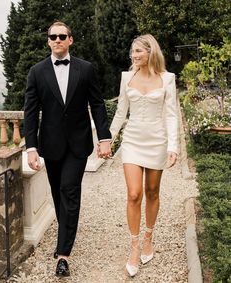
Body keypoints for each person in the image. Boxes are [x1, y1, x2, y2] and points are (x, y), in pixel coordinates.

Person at [24, 21, 111, 277]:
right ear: (48, 40)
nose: (58, 39)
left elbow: (97, 105)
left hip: (78, 144)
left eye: (62, 36)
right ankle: (67, 232)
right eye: (53, 36)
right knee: (57, 193)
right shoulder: (36, 72)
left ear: (70, 39)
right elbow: (30, 113)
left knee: (68, 191)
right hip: (50, 146)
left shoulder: (86, 69)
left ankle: (63, 255)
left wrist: (104, 137)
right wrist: (31, 147)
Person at [109, 34, 178, 277]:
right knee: (134, 193)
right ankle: (135, 246)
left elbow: (171, 115)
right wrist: (109, 139)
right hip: (132, 141)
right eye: (133, 52)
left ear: (151, 52)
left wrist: (173, 146)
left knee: (152, 192)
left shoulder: (167, 79)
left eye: (139, 51)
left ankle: (149, 236)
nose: (134, 55)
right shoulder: (127, 77)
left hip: (157, 142)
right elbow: (120, 112)